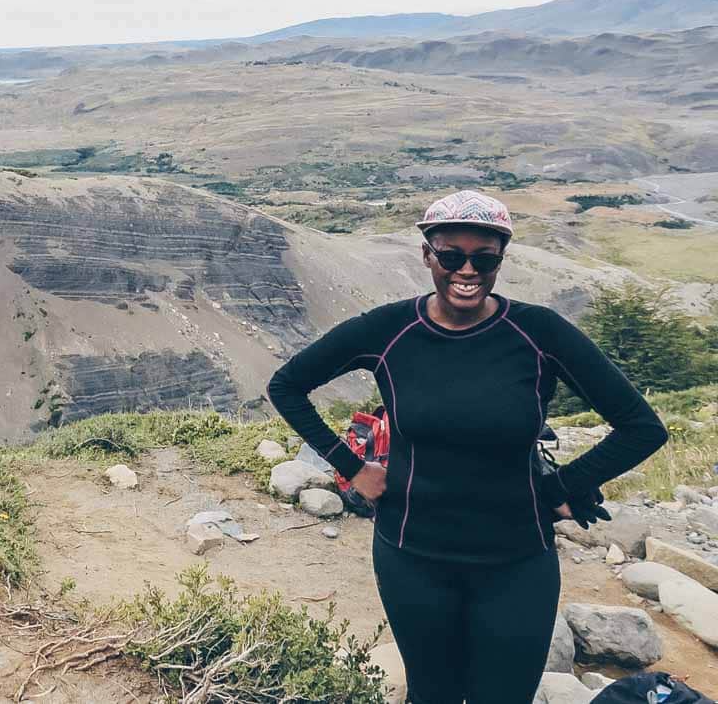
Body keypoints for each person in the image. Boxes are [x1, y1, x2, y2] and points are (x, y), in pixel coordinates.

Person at [266, 189, 669, 704]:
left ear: (501, 258)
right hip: (412, 557)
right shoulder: (391, 330)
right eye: (450, 256)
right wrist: (351, 467)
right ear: (427, 255)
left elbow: (641, 425)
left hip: (518, 563)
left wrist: (566, 485)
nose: (467, 270)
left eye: (485, 258)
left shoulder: (538, 333)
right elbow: (286, 386)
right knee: (431, 695)